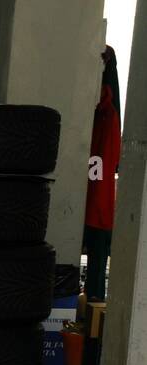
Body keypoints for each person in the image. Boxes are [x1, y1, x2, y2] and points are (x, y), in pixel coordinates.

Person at [84, 46, 121, 302]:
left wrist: (108, 63)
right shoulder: (97, 119)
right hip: (93, 204)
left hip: (98, 208)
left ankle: (93, 317)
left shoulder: (107, 117)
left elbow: (108, 95)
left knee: (96, 274)